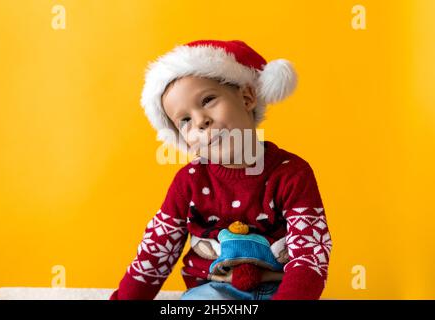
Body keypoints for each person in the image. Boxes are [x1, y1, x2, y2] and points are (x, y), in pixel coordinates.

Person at [110, 39, 332, 300]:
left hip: (282, 290)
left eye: (208, 100)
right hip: (212, 290)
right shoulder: (189, 181)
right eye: (185, 120)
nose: (200, 121)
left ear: (247, 97)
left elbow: (310, 256)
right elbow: (156, 251)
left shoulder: (291, 173)